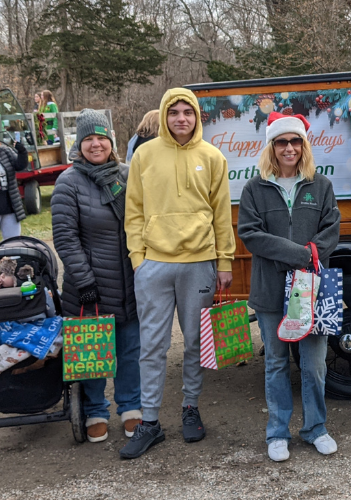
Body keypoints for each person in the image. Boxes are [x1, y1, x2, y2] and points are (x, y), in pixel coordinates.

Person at [121, 87, 236, 459]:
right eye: (175, 112)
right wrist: (139, 259)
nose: (181, 119)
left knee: (194, 344)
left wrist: (224, 262)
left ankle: (190, 408)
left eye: (188, 112)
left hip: (199, 263)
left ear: (197, 116)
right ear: (164, 116)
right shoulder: (144, 154)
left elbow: (221, 213)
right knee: (152, 346)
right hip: (154, 264)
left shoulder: (212, 156)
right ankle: (150, 421)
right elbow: (134, 210)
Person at [238, 112, 341, 462]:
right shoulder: (255, 188)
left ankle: (316, 428)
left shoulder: (321, 186)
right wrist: (298, 254)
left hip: (309, 291)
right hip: (269, 291)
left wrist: (307, 257)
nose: (289, 148)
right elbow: (251, 234)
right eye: (282, 142)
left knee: (313, 364)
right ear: (272, 146)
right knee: (277, 363)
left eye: (295, 141)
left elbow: (331, 230)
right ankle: (277, 432)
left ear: (304, 146)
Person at [51, 110, 143, 446]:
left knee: (130, 349)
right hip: (88, 286)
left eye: (101, 138)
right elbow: (65, 236)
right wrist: (84, 279)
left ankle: (131, 406)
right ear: (79, 144)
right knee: (91, 350)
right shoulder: (69, 182)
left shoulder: (127, 175)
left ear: (111, 142)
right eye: (88, 139)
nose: (95, 144)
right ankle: (95, 410)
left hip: (129, 283)